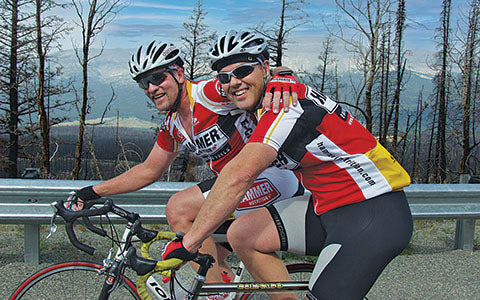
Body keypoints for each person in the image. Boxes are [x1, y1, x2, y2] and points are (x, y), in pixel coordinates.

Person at [162, 30, 414, 300]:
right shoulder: (271, 96)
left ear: (265, 68)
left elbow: (240, 174)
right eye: (225, 77)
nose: (233, 82)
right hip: (326, 207)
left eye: (243, 70)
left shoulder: (284, 105)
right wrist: (284, 73)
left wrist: (189, 243)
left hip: (371, 211)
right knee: (244, 235)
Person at [69, 40, 304, 298]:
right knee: (203, 252)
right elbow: (149, 170)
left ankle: (216, 294)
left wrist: (284, 75)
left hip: (271, 177)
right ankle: (221, 286)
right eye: (144, 83)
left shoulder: (208, 94)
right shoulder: (173, 125)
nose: (151, 88)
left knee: (179, 208)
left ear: (179, 74)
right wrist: (90, 192)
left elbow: (249, 76)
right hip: (240, 189)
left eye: (158, 77)